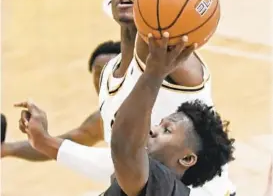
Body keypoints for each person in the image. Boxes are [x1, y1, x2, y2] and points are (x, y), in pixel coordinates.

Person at [2, 0, 235, 195]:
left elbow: (164, 25)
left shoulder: (175, 62)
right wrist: (43, 142)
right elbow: (120, 158)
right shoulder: (109, 71)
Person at [15, 33, 235, 196]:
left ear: (187, 158)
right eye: (160, 124)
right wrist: (43, 141)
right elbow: (113, 159)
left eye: (166, 130)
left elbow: (123, 149)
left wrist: (154, 72)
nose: (152, 128)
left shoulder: (162, 188)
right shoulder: (147, 181)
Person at [0, 40, 121, 160]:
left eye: (112, 71)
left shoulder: (138, 108)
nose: (104, 79)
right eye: (99, 72)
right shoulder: (102, 120)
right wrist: (7, 149)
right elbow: (56, 147)